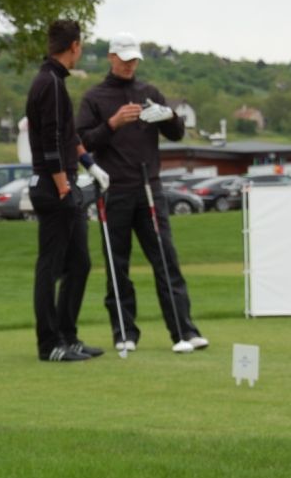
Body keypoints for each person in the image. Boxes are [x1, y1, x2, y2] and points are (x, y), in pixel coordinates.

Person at [75, 32, 208, 354]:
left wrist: (170, 116)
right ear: (111, 58)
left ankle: (184, 331)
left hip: (150, 188)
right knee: (117, 264)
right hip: (114, 190)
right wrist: (113, 123)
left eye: (134, 59)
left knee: (166, 260)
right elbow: (83, 142)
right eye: (124, 59)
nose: (129, 65)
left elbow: (176, 134)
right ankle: (125, 333)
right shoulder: (95, 97)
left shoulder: (149, 93)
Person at [25, 19, 110, 362]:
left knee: (79, 262)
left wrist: (91, 165)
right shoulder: (50, 84)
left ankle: (67, 336)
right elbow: (51, 140)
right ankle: (49, 345)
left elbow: (69, 135)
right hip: (53, 186)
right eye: (81, 46)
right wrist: (63, 185)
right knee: (50, 265)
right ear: (74, 46)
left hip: (65, 183)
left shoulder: (55, 81)